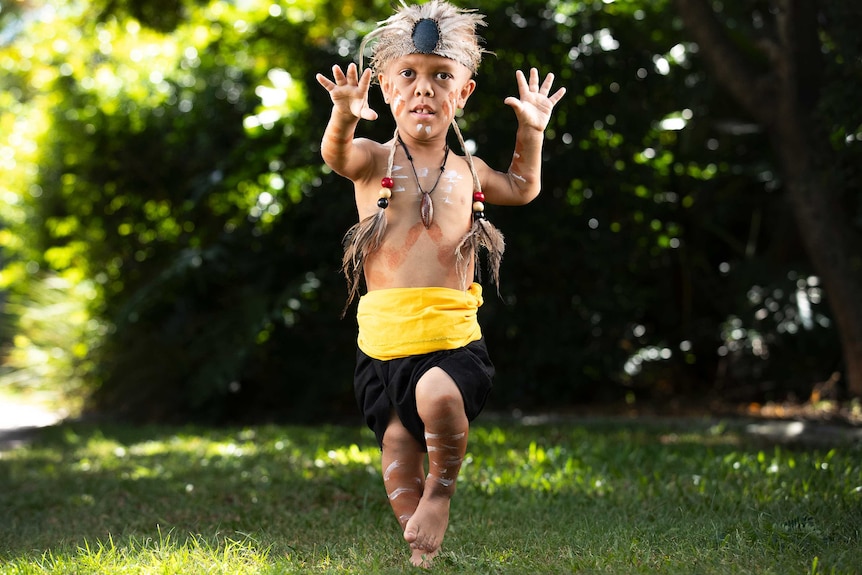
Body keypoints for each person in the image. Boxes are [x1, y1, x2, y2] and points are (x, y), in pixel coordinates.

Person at [315, 0, 565, 567]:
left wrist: (532, 130)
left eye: (440, 77)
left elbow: (524, 186)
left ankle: (440, 496)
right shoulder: (372, 161)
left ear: (464, 93)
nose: (423, 89)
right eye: (408, 74)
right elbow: (335, 153)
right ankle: (417, 538)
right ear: (384, 86)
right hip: (383, 342)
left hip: (452, 340)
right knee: (398, 443)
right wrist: (345, 113)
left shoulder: (470, 172)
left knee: (437, 396)